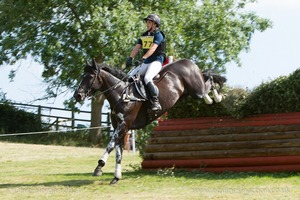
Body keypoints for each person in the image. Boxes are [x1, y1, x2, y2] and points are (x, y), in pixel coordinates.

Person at [125, 14, 166, 111]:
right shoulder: (144, 35)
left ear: (155, 24)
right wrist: (130, 58)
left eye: (149, 22)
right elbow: (136, 47)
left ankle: (156, 102)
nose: (147, 24)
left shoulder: (158, 35)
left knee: (147, 78)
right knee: (129, 77)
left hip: (157, 61)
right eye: (147, 22)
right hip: (147, 61)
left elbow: (153, 48)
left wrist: (143, 58)